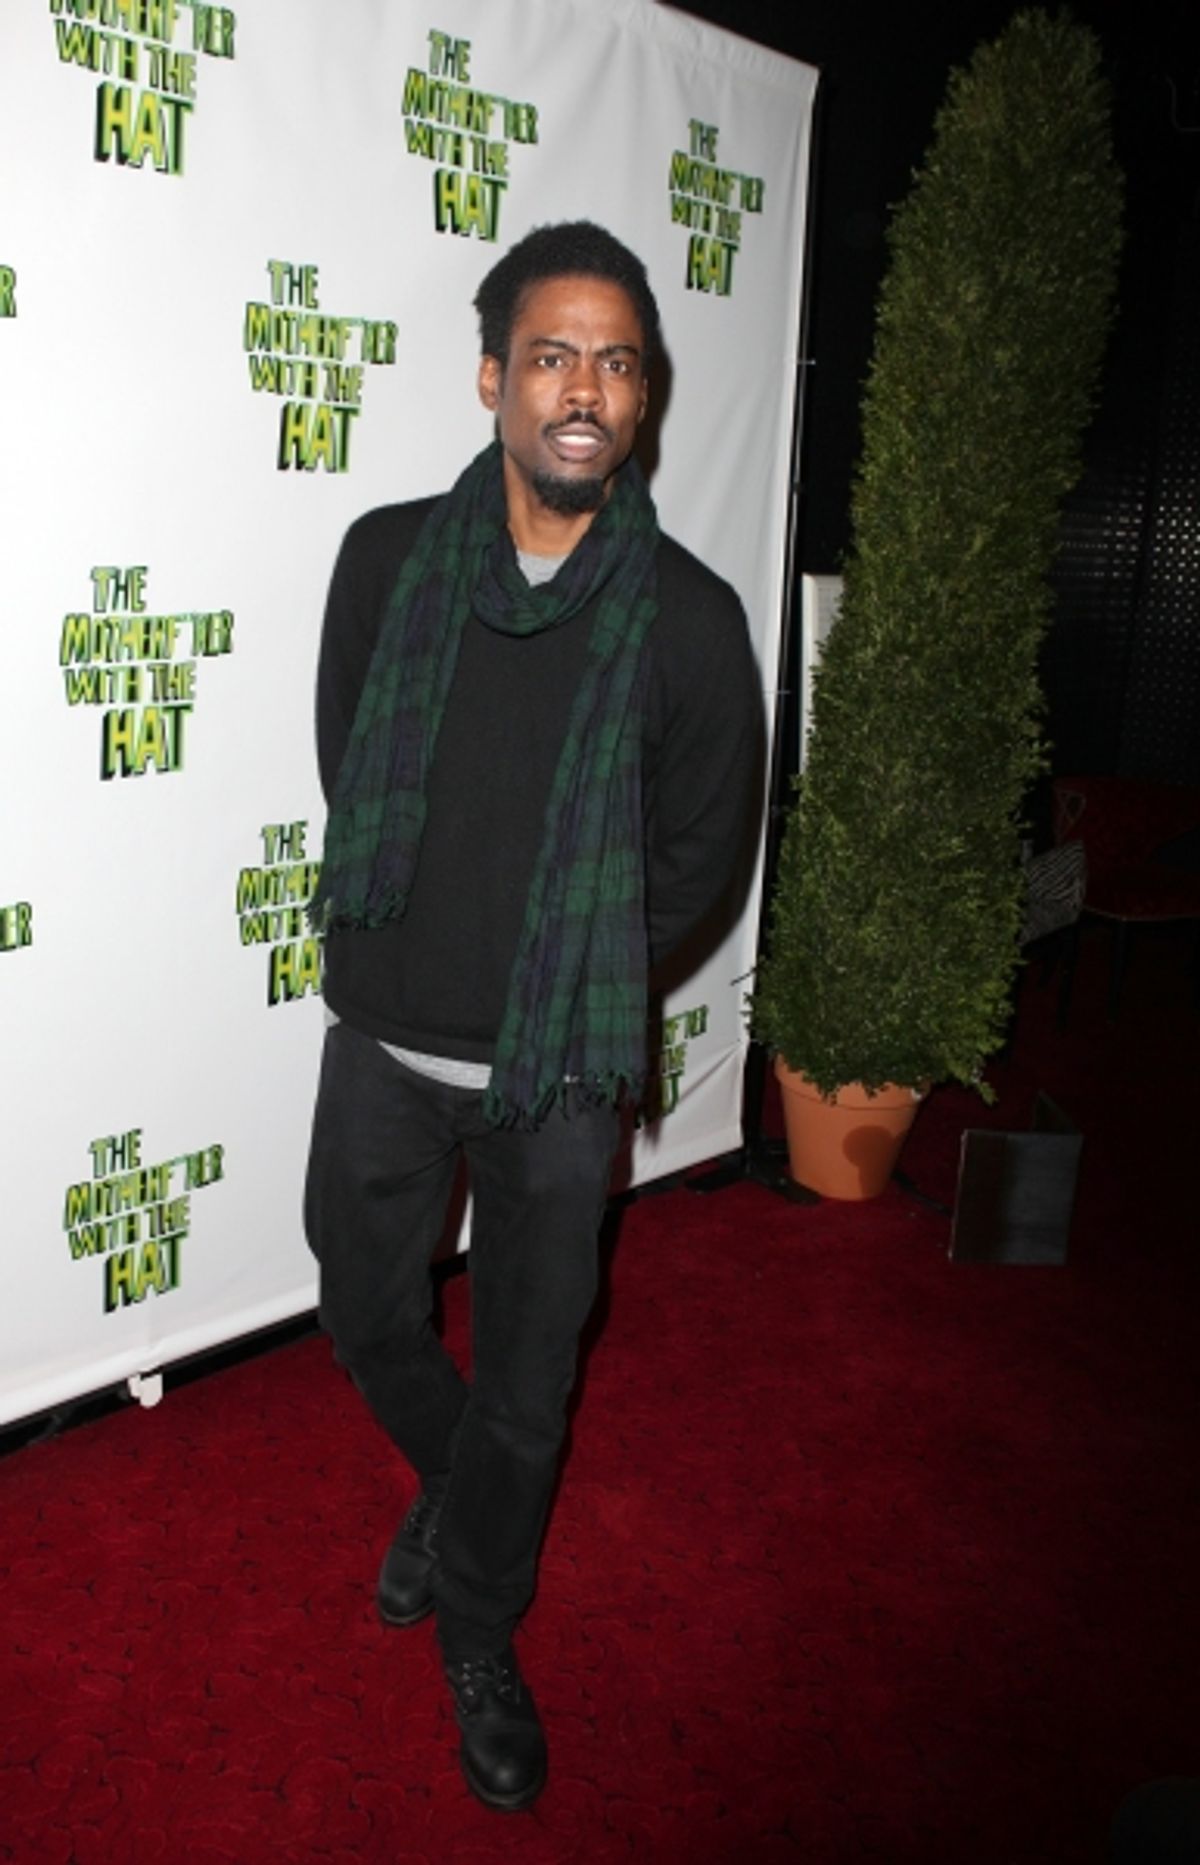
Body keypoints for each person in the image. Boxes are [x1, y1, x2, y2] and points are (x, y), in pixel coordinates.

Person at [304, 220, 762, 1812]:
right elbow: (349, 762)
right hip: (385, 1038)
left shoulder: (695, 623)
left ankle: (482, 1620)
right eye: (554, 353)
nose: (584, 387)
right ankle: (462, 1488)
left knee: (529, 1375)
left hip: (563, 1074)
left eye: (616, 361)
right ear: (495, 374)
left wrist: (570, 979)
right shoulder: (381, 561)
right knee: (362, 1307)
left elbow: (704, 851)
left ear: (643, 400)